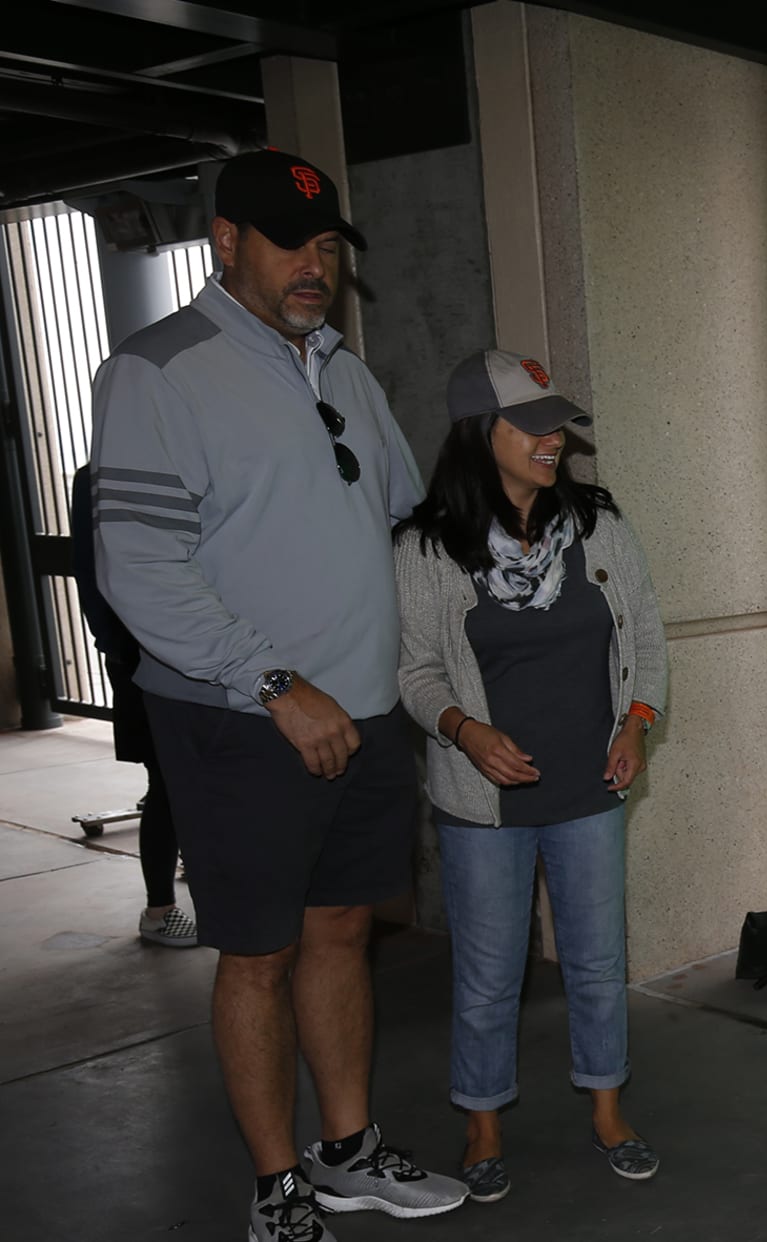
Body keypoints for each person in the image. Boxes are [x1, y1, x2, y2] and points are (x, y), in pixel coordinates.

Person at [87, 148, 467, 1242]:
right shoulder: (159, 373)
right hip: (240, 719)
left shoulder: (342, 367)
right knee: (258, 952)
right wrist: (272, 681)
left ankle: (345, 1152)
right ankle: (276, 1188)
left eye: (330, 244)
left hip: (363, 709)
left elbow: (396, 506)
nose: (317, 264)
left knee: (343, 927)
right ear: (224, 243)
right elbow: (141, 568)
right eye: (292, 242)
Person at [393, 348, 669, 1203]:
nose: (555, 441)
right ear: (484, 433)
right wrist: (466, 732)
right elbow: (415, 671)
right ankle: (481, 1125)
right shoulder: (427, 545)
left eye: (558, 425)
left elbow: (647, 643)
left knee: (595, 960)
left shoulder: (598, 524)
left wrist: (638, 728)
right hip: (486, 802)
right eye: (534, 426)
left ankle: (608, 1109)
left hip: (591, 786)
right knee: (488, 974)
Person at [69, 463, 196, 948]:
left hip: (184, 647)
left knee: (188, 777)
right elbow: (91, 568)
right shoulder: (98, 478)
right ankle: (159, 909)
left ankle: (191, 875)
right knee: (166, 782)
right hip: (141, 653)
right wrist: (117, 649)